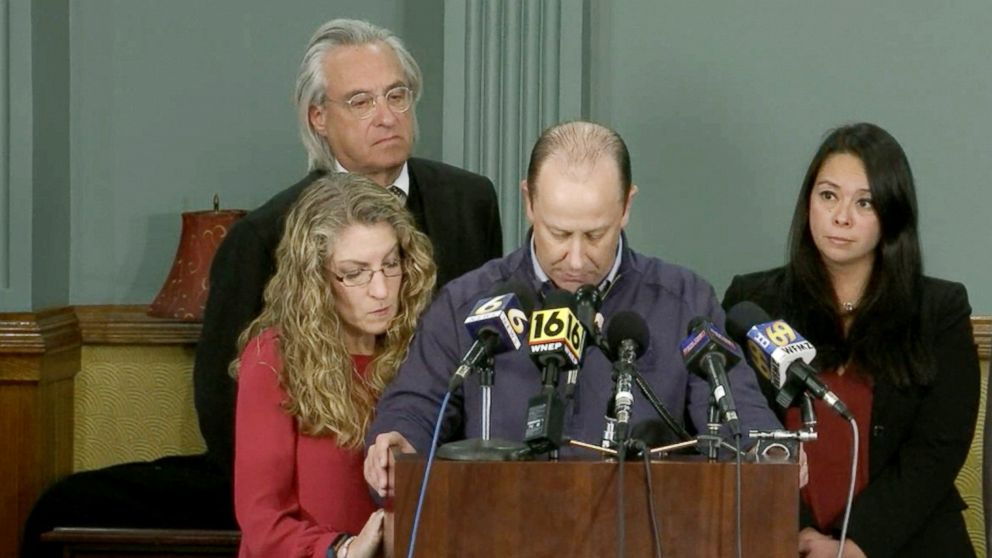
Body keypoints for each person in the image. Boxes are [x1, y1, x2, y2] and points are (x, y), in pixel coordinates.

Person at [21, 18, 502, 557]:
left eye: (397, 95)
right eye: (361, 102)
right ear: (319, 117)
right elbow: (225, 408)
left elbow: (486, 354)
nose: (387, 116)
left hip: (438, 473)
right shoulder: (261, 237)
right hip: (305, 477)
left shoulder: (471, 200)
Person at [364, 121, 781, 497]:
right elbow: (415, 407)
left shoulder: (684, 300)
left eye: (596, 234)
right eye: (559, 233)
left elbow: (737, 412)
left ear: (627, 207)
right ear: (529, 200)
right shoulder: (467, 302)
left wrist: (766, 449)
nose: (577, 259)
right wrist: (397, 440)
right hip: (498, 530)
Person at [722, 122, 980, 558]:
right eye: (828, 196)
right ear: (809, 203)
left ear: (893, 215)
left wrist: (857, 543)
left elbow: (937, 449)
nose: (841, 217)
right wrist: (799, 534)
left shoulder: (940, 310)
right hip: (778, 537)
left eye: (865, 202)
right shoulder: (753, 302)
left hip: (909, 541)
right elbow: (734, 426)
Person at [233, 174, 435, 558]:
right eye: (355, 273)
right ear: (316, 279)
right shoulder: (273, 358)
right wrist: (340, 550)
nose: (381, 290)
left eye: (391, 264)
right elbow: (263, 520)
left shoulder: (425, 348)